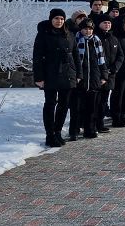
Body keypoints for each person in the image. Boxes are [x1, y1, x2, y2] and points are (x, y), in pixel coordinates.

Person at [33, 8, 80, 147]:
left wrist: (78, 74)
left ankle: (58, 131)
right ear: (51, 19)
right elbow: (37, 56)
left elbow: (76, 55)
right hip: (50, 73)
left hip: (68, 73)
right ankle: (50, 134)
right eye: (56, 18)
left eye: (61, 19)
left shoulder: (69, 34)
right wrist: (39, 77)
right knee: (50, 104)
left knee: (64, 105)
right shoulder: (43, 34)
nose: (59, 21)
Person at [72, 18, 108, 139]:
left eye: (90, 29)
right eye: (85, 29)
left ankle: (90, 129)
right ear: (81, 29)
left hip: (94, 78)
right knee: (77, 107)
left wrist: (104, 76)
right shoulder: (76, 40)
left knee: (92, 108)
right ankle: (74, 130)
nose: (88, 31)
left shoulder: (96, 41)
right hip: (80, 79)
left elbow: (102, 60)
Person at [95, 14, 123, 134]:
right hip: (98, 75)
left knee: (104, 100)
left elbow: (120, 55)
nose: (107, 24)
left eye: (109, 23)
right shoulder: (95, 38)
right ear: (99, 24)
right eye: (105, 22)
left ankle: (100, 123)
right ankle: (93, 124)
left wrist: (114, 68)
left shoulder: (114, 38)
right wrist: (103, 70)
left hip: (110, 74)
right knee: (96, 101)